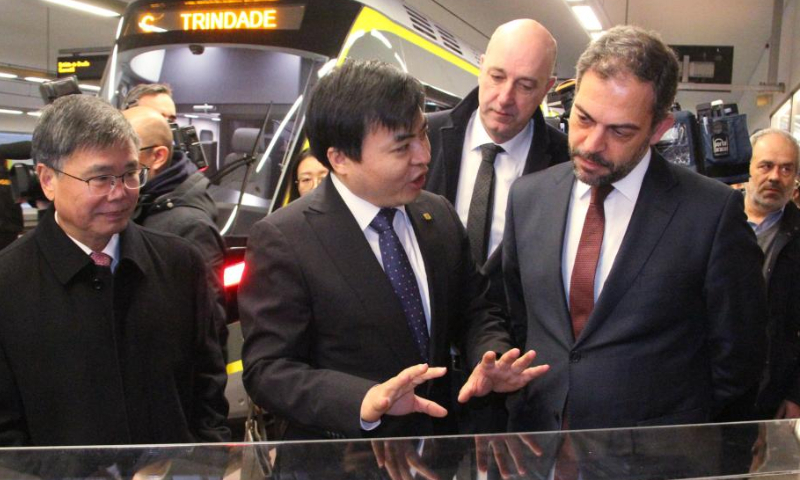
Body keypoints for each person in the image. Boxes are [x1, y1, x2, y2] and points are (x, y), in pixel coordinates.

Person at [239, 59, 548, 440]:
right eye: (402, 147)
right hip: (344, 458)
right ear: (340, 159)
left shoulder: (436, 213)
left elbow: (475, 309)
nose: (423, 156)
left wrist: (493, 356)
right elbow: (267, 369)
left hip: (439, 451)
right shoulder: (285, 238)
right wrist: (363, 399)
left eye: (423, 135)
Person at [503, 25, 766, 432]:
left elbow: (738, 357)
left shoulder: (711, 214)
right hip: (540, 446)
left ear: (659, 128)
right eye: (584, 119)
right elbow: (517, 314)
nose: (591, 144)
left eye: (620, 131)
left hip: (658, 456)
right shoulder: (529, 198)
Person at [0, 94, 229, 446]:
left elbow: (207, 383)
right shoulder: (9, 283)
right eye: (101, 178)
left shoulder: (179, 264)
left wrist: (205, 458)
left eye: (131, 174)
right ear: (47, 179)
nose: (120, 193)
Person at [425, 19, 569, 307]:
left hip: (513, 341)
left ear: (547, 88)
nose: (505, 98)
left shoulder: (566, 164)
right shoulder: (423, 138)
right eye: (497, 77)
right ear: (481, 67)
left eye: (525, 85)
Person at [123, 106, 228, 351]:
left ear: (157, 156)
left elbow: (208, 328)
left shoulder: (190, 227)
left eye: (125, 152)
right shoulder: (138, 205)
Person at [744, 129, 800, 420]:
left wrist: (796, 394)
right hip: (708, 388)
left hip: (771, 394)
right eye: (766, 165)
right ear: (749, 168)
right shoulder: (715, 223)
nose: (775, 177)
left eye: (786, 168)